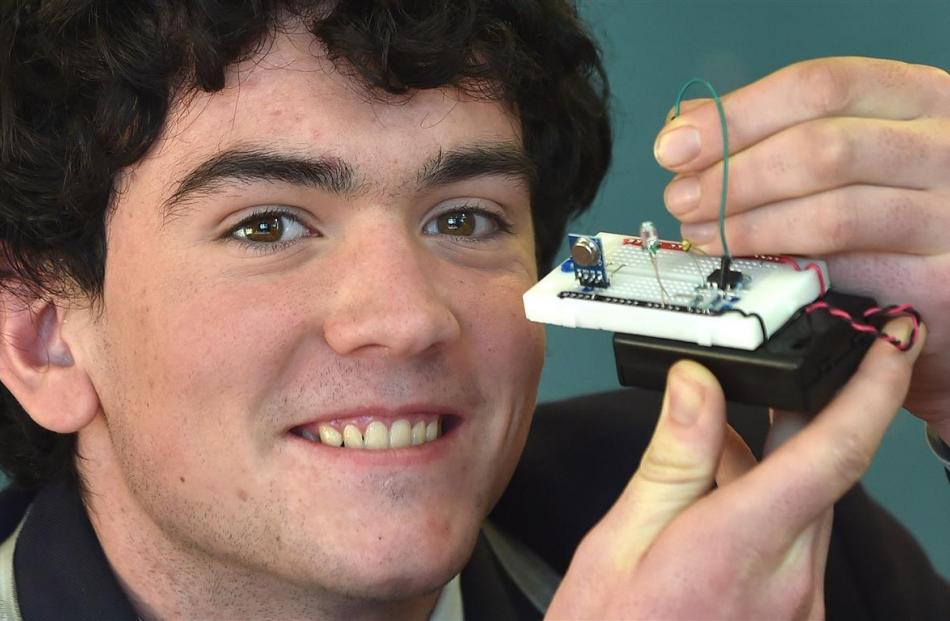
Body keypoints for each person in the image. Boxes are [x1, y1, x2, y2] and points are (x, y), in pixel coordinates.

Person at [0, 1, 947, 619]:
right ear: (44, 338)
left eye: (463, 217)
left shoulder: (736, 530)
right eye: (267, 227)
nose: (408, 317)